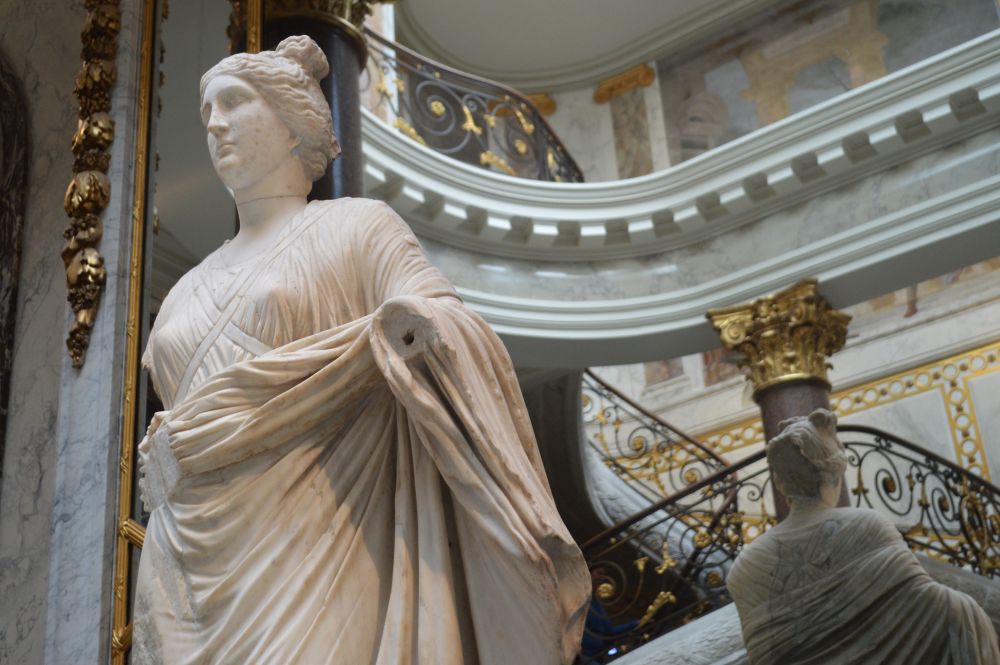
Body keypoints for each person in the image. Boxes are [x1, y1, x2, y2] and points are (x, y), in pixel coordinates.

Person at [132, 35, 590, 665]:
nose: (214, 123)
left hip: (324, 531)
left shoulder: (356, 226)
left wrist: (415, 328)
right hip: (185, 554)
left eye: (234, 103)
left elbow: (448, 322)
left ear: (292, 123)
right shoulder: (182, 291)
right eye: (207, 109)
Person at [727, 409, 999, 664]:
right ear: (832, 474)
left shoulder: (744, 567)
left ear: (779, 481)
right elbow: (930, 607)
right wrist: (967, 611)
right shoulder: (866, 525)